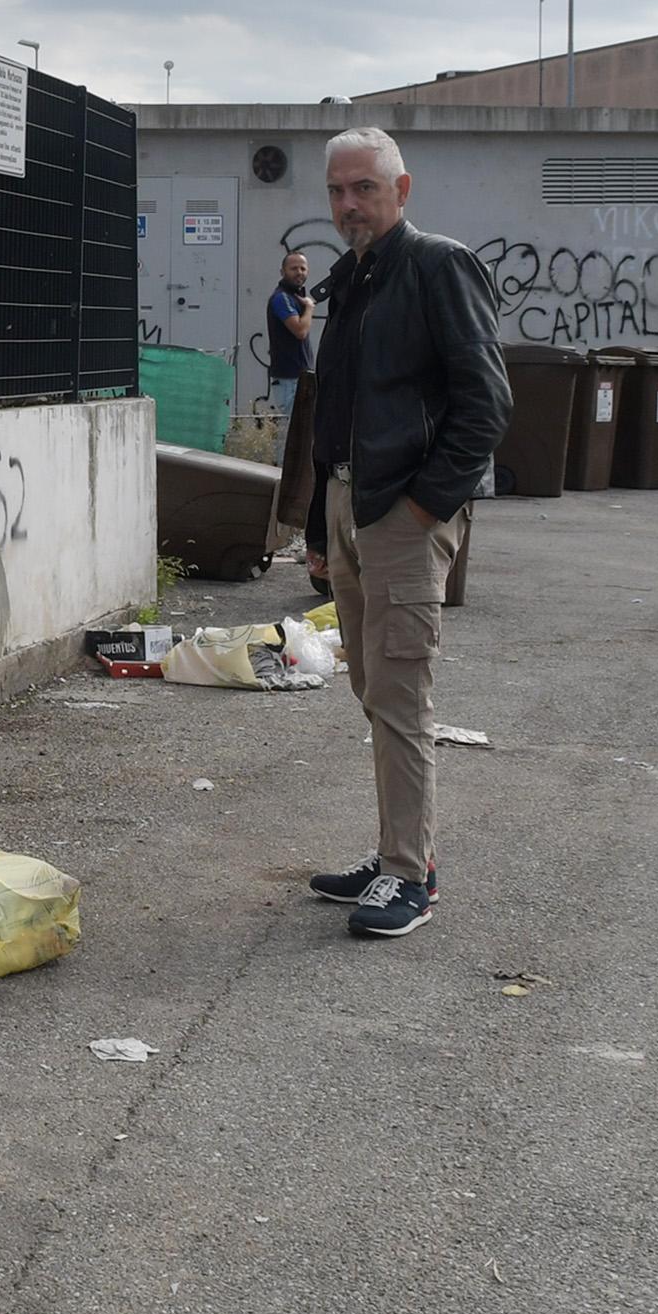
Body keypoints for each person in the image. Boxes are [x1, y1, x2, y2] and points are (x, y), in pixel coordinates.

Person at [302, 128, 510, 938]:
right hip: (353, 507)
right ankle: (398, 848)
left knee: (400, 693)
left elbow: (486, 405)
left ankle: (410, 875)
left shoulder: (437, 266)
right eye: (337, 191)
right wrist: (323, 519)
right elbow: (341, 411)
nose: (349, 204)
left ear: (402, 189)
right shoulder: (353, 278)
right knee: (371, 690)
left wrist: (424, 508)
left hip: (402, 513)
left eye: (364, 188)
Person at [264, 253, 315, 465]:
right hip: (289, 378)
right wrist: (310, 308)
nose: (299, 273)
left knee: (300, 433)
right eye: (294, 268)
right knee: (289, 434)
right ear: (283, 272)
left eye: (303, 268)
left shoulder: (294, 297)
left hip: (298, 376)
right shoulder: (282, 298)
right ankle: (283, 478)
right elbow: (300, 330)